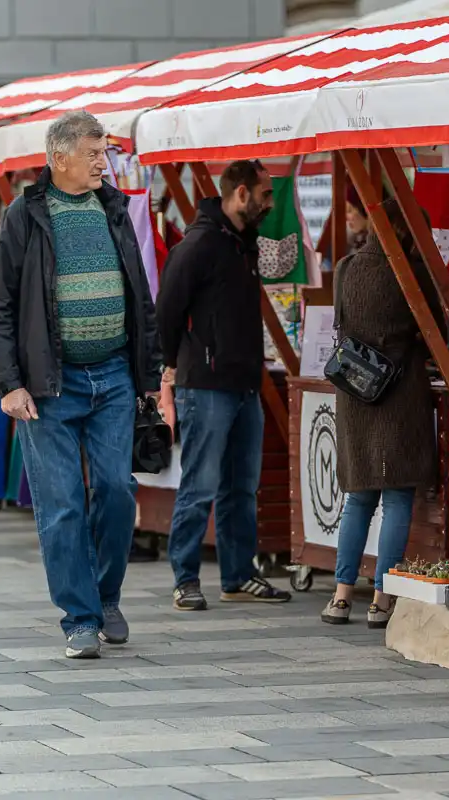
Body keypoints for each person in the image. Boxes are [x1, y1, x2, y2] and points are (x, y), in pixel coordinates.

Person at [0, 110, 162, 660]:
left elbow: (140, 296)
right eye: (92, 153)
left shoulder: (115, 210)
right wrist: (8, 383)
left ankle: (106, 596)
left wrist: (149, 376)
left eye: (104, 151)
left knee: (116, 490)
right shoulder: (24, 216)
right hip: (47, 385)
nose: (102, 161)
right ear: (59, 157)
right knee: (61, 504)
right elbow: (0, 306)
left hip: (111, 375)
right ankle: (79, 618)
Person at [157, 159, 291, 612]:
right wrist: (171, 369)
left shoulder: (242, 244)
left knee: (241, 487)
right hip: (207, 386)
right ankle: (185, 578)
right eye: (266, 195)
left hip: (244, 385)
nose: (270, 203)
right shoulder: (199, 245)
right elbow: (167, 311)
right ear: (240, 195)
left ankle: (237, 575)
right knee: (200, 485)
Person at [321, 197, 443, 630]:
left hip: (354, 393)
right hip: (401, 394)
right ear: (405, 231)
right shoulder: (410, 273)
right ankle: (382, 598)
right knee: (396, 497)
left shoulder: (346, 269)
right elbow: (438, 333)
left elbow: (341, 324)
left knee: (359, 496)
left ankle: (339, 597)